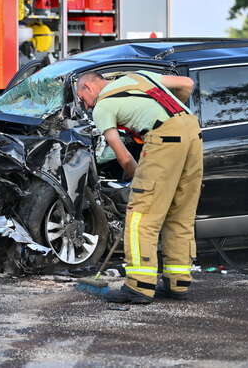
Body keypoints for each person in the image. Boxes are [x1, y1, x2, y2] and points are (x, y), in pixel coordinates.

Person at [75, 70, 203, 304]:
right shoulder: (138, 77)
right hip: (192, 131)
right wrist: (172, 119)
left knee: (140, 218)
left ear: (88, 88)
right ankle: (178, 284)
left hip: (164, 139)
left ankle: (139, 286)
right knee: (179, 214)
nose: (84, 104)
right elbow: (186, 83)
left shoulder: (103, 107)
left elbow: (123, 157)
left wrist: (140, 180)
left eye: (82, 98)